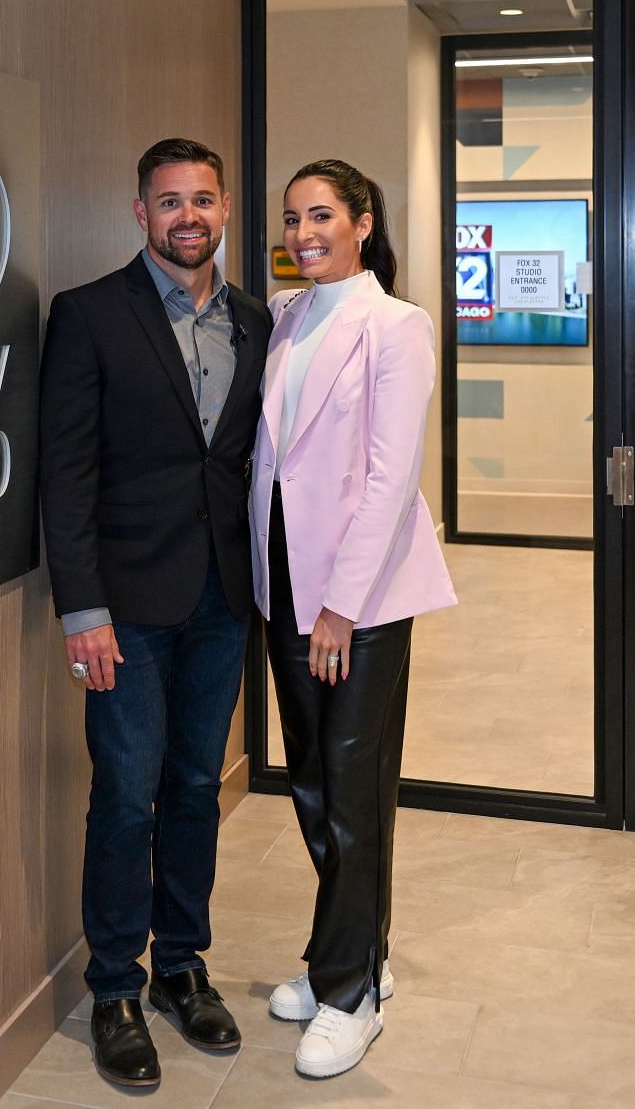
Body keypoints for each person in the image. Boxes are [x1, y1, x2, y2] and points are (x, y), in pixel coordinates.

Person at [37, 138, 271, 1089]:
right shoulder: (90, 315)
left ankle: (181, 964)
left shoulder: (258, 323)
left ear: (224, 211)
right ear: (140, 212)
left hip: (224, 598)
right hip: (124, 607)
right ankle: (113, 987)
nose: (188, 216)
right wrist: (81, 609)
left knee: (195, 787)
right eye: (169, 200)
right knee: (124, 794)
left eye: (203, 199)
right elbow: (67, 471)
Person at [249, 159, 456, 1079]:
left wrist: (340, 605)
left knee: (352, 782)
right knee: (315, 786)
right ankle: (353, 955)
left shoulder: (396, 326)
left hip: (356, 599)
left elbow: (389, 474)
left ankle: (349, 994)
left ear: (363, 222)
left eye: (322, 214)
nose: (303, 233)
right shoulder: (291, 318)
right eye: (293, 218)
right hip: (283, 582)